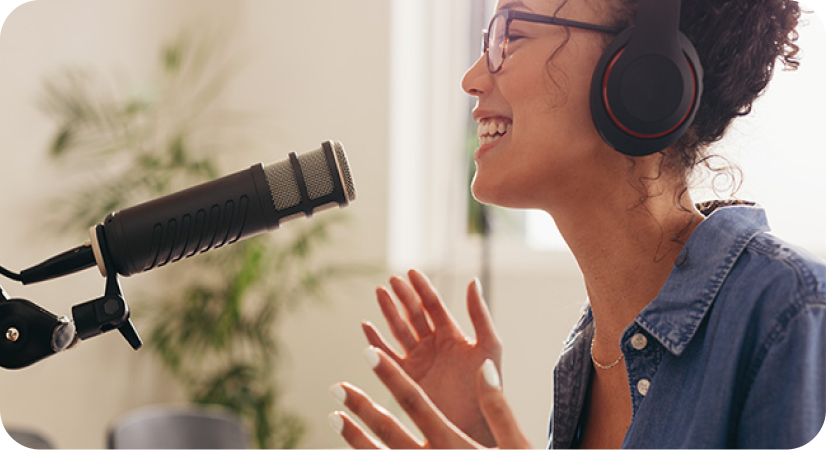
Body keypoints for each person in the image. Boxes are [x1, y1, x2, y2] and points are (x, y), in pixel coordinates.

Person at [329, 0, 824, 448]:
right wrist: (487, 440)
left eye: (512, 35)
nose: (473, 77)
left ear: (644, 73)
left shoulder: (793, 317)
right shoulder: (584, 363)